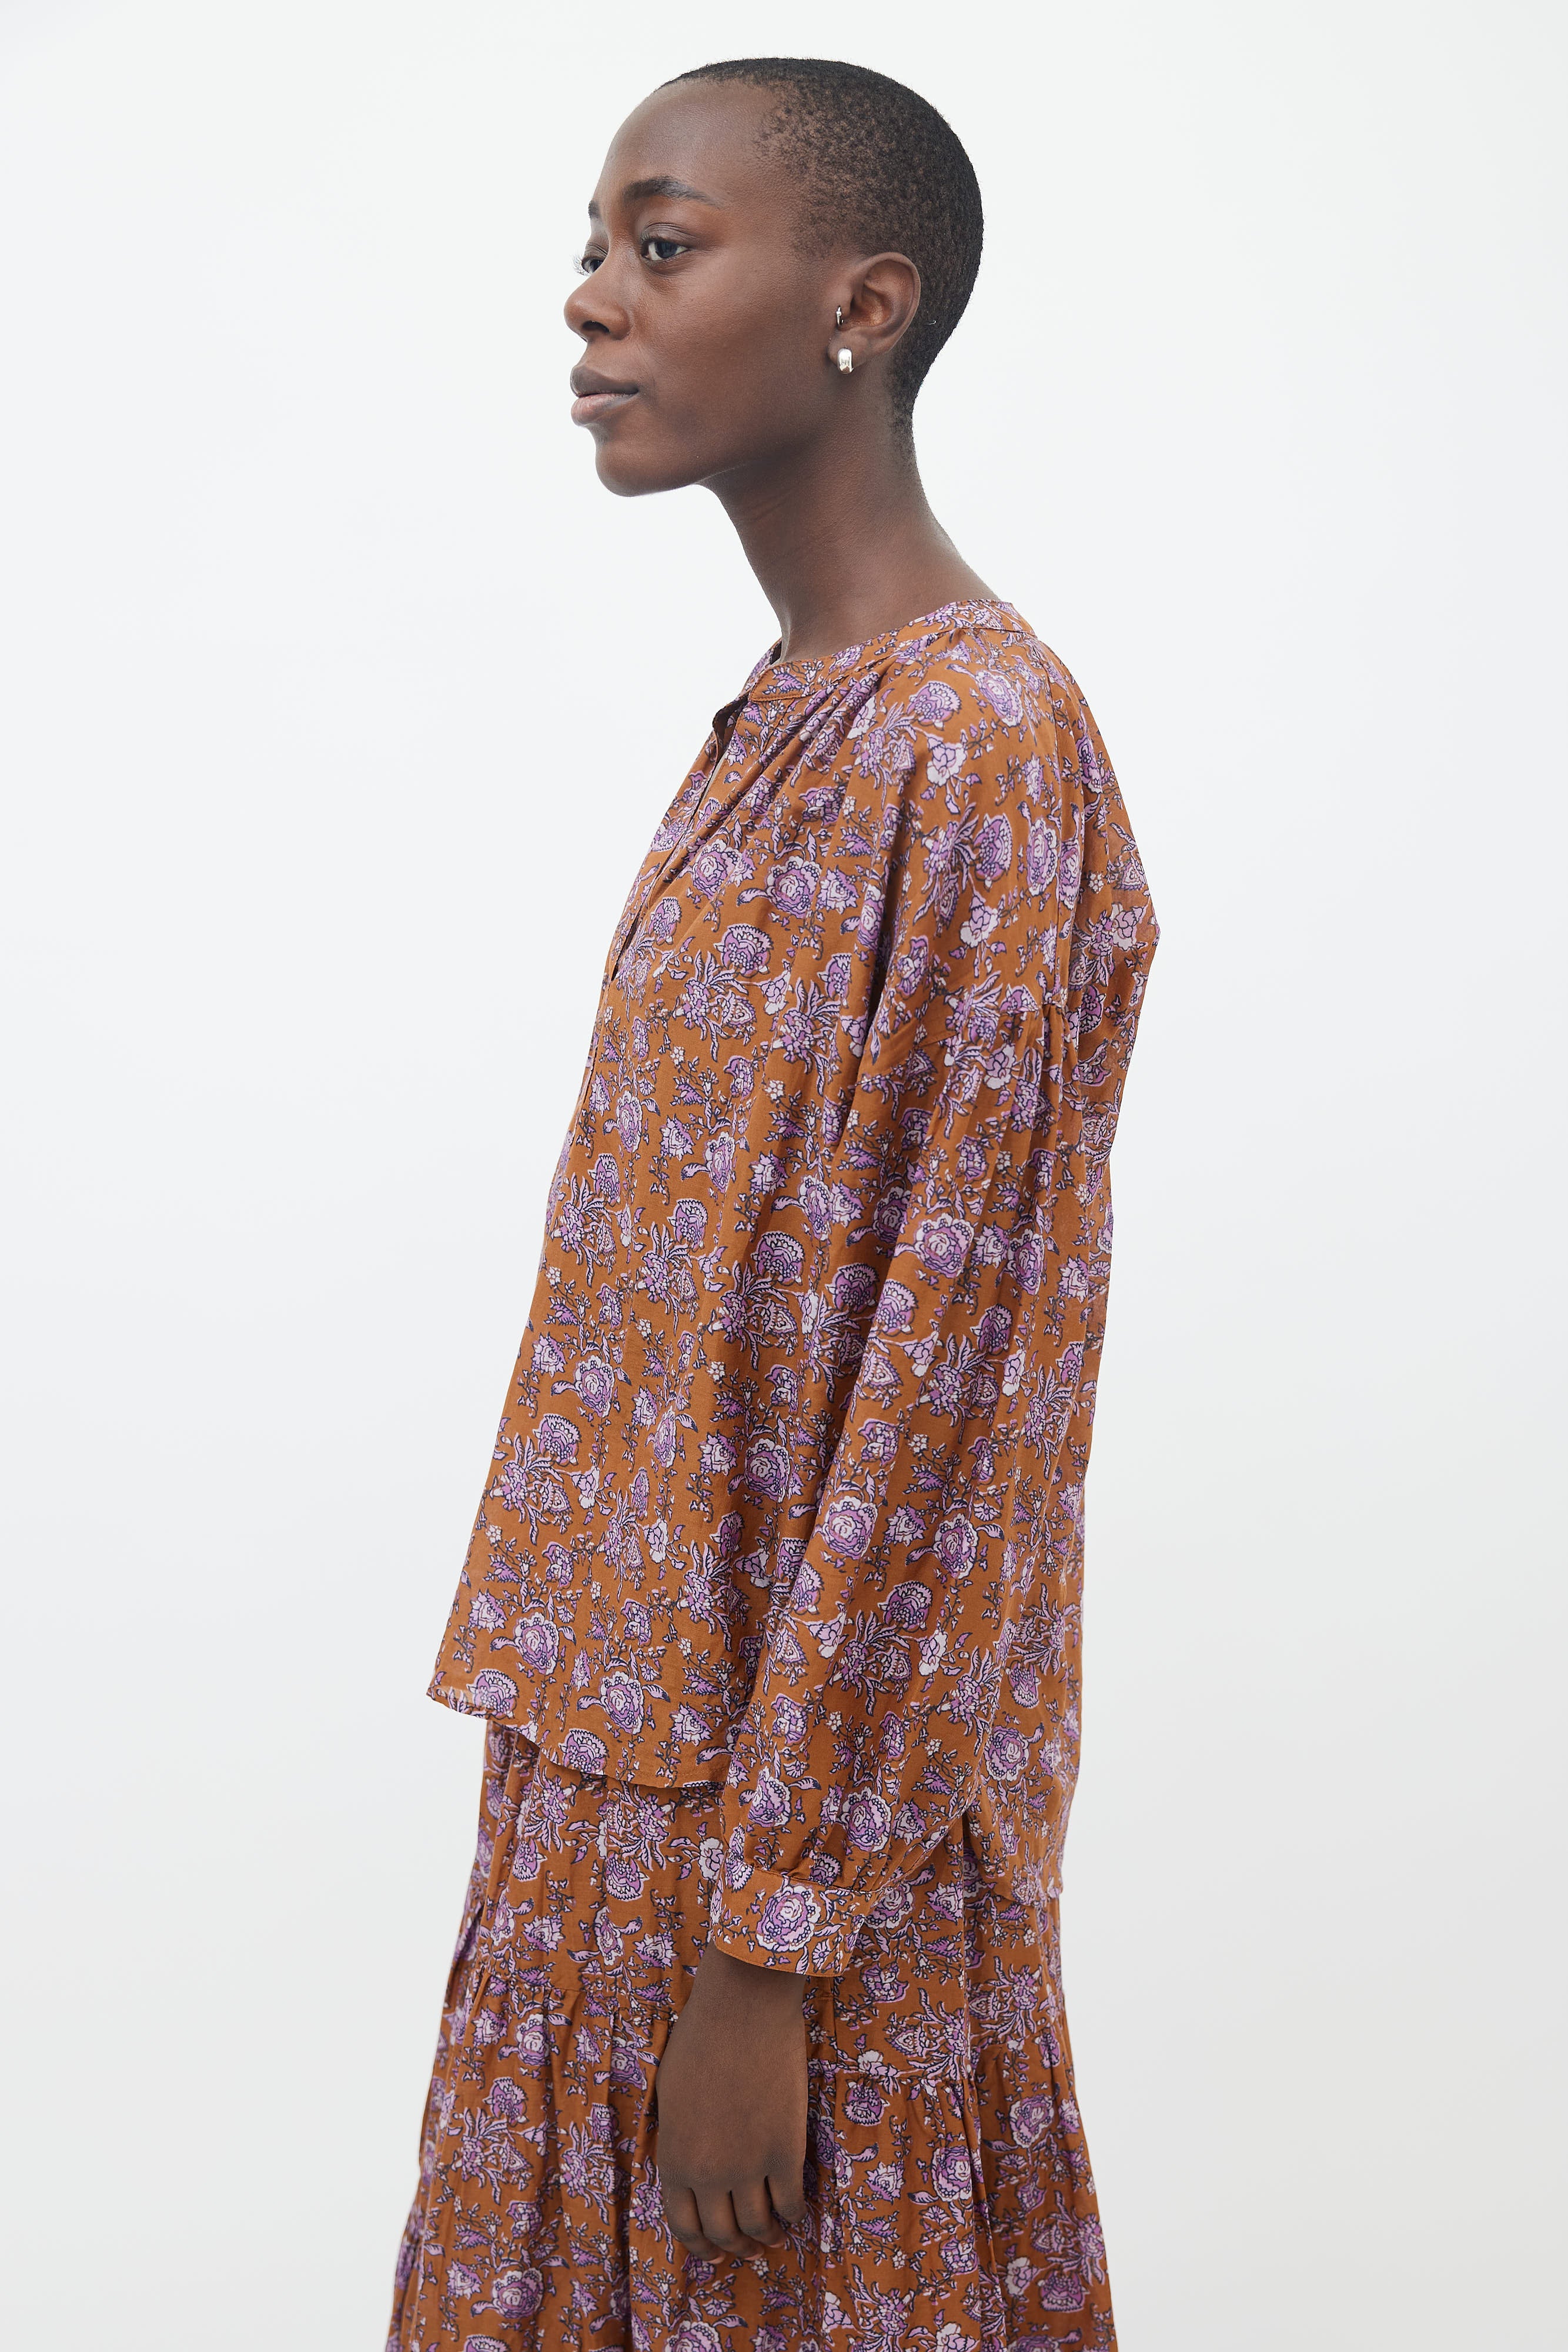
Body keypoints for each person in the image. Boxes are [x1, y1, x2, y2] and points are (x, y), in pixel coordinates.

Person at [389, 55, 1158, 2352]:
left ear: (864, 303)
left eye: (659, 243)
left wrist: (771, 1945)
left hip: (787, 1865)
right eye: (594, 249)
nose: (589, 301)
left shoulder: (980, 754)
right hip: (605, 1782)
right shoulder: (786, 718)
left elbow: (957, 1394)